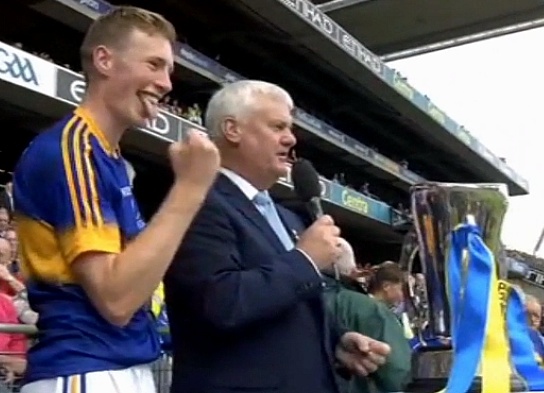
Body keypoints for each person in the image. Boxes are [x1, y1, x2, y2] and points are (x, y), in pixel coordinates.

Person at [13, 6, 220, 393]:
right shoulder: (72, 148)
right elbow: (117, 298)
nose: (166, 82)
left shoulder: (105, 157)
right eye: (154, 65)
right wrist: (190, 189)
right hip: (85, 369)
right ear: (104, 60)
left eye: (168, 70)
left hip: (118, 365)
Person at [164, 80, 391, 393]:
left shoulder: (286, 217)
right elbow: (220, 304)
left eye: (290, 127)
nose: (291, 138)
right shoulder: (199, 203)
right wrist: (305, 260)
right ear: (233, 130)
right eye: (277, 126)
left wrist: (335, 342)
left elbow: (285, 304)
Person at [323, 242, 412, 393]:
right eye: (400, 287)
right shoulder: (370, 309)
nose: (403, 294)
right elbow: (397, 369)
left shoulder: (307, 302)